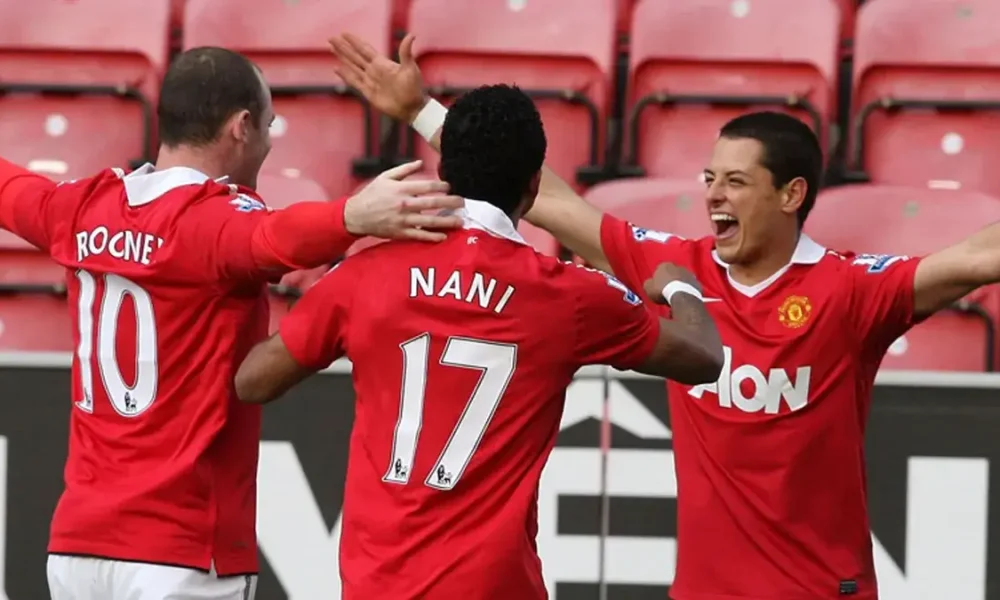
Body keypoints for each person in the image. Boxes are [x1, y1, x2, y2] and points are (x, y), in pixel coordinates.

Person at [330, 32, 1000, 600]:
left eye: (736, 182)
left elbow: (974, 257)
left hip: (821, 590)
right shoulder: (680, 269)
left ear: (792, 194)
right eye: (710, 178)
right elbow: (545, 198)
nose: (713, 195)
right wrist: (421, 110)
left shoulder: (852, 290)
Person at [0, 46, 466, 600]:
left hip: (78, 551)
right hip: (182, 550)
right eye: (268, 125)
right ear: (241, 127)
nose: (269, 142)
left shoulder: (77, 208)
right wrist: (352, 216)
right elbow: (272, 239)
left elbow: (9, 190)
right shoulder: (212, 223)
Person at [233, 83, 725, 599]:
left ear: (443, 172)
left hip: (379, 585)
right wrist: (679, 287)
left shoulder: (365, 275)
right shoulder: (572, 297)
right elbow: (704, 357)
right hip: (497, 586)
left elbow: (252, 380)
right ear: (533, 187)